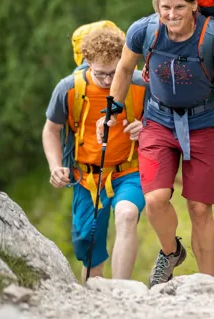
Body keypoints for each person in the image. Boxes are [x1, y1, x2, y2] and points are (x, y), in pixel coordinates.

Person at [99, 0, 214, 287]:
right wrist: (114, 106)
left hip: (205, 124)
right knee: (155, 199)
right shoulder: (144, 31)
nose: (171, 14)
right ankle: (171, 252)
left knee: (200, 209)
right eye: (165, 7)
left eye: (179, 7)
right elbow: (124, 68)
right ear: (157, 7)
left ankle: (206, 284)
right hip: (158, 121)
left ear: (194, 6)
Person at [42, 26, 147, 282]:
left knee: (127, 214)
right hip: (87, 179)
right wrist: (55, 166)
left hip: (130, 171)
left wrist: (146, 128)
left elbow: (163, 124)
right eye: (101, 74)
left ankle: (121, 292)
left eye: (115, 72)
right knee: (88, 247)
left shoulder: (141, 84)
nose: (109, 81)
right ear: (87, 61)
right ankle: (95, 296)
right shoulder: (69, 88)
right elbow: (51, 130)